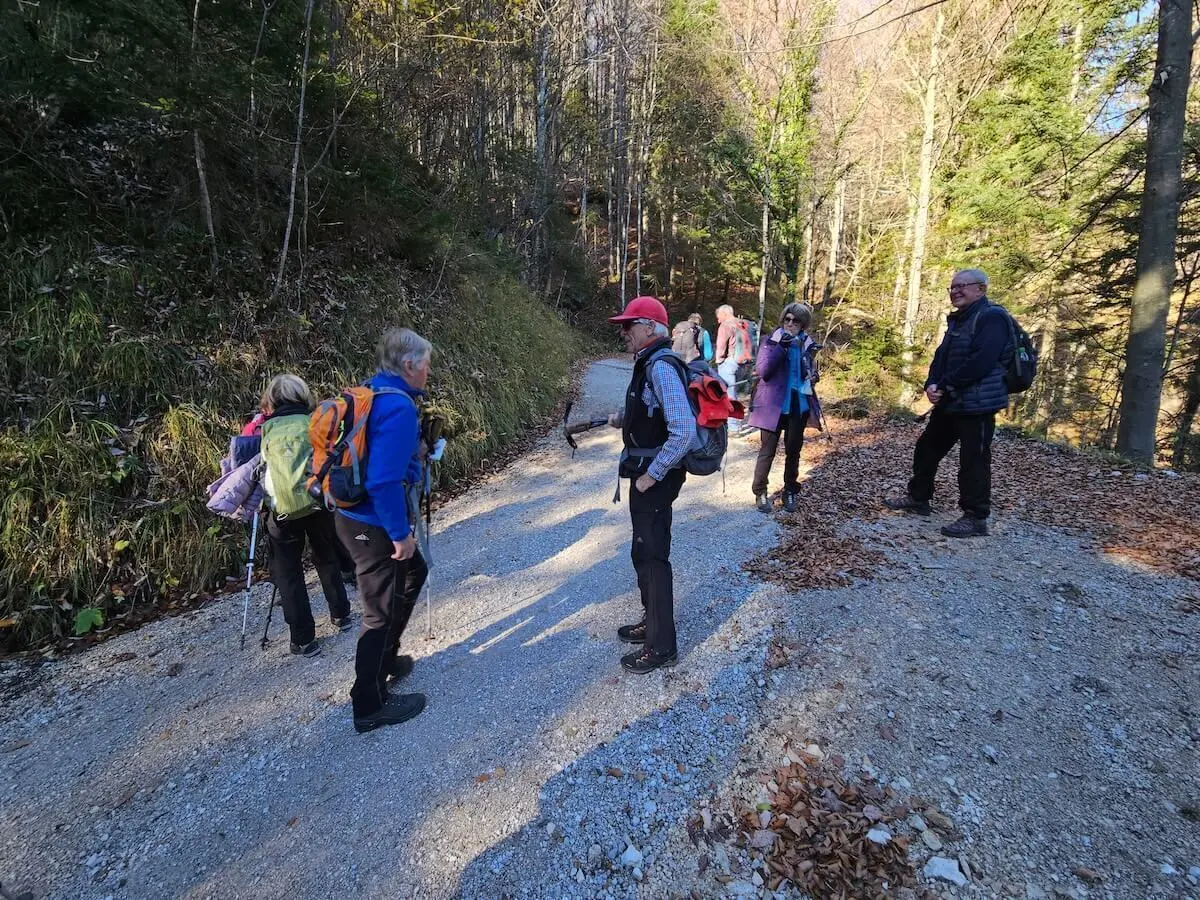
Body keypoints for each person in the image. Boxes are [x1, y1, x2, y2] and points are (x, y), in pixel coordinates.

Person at [335, 328, 431, 733]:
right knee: (378, 611)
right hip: (372, 522)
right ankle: (368, 703)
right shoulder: (398, 408)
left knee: (413, 574)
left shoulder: (373, 392)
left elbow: (383, 459)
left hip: (352, 516)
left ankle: (386, 659)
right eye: (426, 364)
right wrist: (399, 535)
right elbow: (382, 481)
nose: (429, 371)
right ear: (409, 365)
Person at [884, 269, 1012, 538]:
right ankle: (919, 498)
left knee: (973, 460)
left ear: (981, 289)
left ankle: (976, 517)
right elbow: (941, 358)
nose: (955, 291)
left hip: (977, 405)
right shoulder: (958, 320)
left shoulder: (992, 318)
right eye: (952, 287)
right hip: (952, 402)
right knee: (926, 448)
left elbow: (982, 361)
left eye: (962, 286)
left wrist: (945, 385)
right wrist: (931, 384)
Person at [606, 296, 697, 674]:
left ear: (650, 327)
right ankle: (651, 623)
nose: (624, 332)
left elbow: (683, 431)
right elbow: (653, 411)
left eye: (629, 325)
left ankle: (661, 646)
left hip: (654, 481)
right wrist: (622, 420)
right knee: (642, 552)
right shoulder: (650, 364)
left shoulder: (660, 366)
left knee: (654, 557)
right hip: (647, 478)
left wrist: (652, 474)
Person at [258, 374, 352, 657]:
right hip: (317, 501)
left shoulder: (265, 430)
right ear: (304, 396)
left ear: (271, 400)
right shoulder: (314, 422)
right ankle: (340, 615)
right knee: (326, 556)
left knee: (288, 571)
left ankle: (303, 638)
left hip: (281, 510)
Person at [748, 304, 823, 514]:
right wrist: (782, 346)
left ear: (802, 325)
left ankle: (790, 490)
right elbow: (764, 371)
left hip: (798, 406)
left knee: (793, 452)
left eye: (795, 321)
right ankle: (760, 491)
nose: (790, 324)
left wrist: (814, 376)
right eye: (787, 319)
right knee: (767, 451)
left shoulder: (807, 344)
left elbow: (811, 371)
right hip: (772, 405)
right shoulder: (771, 342)